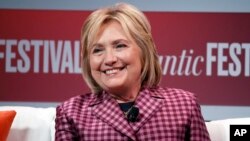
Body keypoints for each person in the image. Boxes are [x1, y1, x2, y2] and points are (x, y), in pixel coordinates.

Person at [55, 2, 211, 141]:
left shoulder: (184, 105)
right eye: (97, 50)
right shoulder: (71, 113)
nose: (109, 59)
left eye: (120, 46)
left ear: (143, 50)